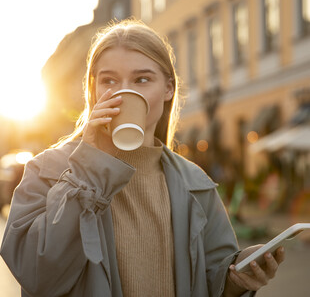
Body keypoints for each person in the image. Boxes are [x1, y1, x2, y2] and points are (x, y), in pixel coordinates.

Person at [0, 19, 284, 297]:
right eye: (109, 80)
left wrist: (237, 277)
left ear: (168, 89)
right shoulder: (47, 171)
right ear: (94, 90)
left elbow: (210, 278)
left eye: (142, 79)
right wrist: (91, 167)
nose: (125, 93)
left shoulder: (195, 183)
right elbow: (37, 276)